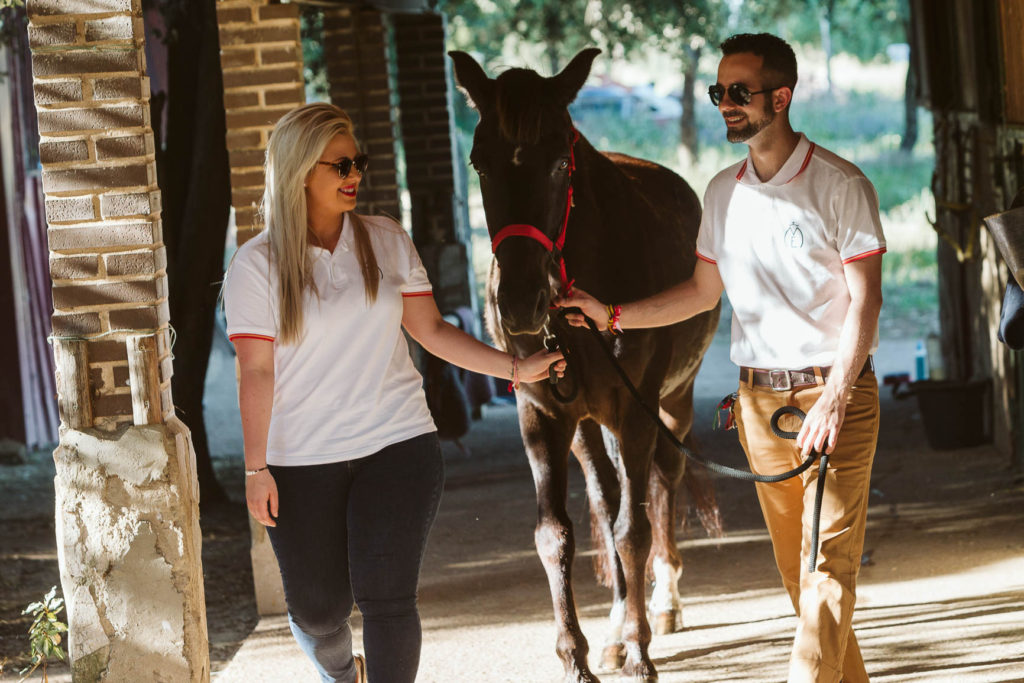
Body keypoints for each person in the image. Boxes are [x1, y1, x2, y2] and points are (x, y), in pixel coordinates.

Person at [558, 33, 884, 683]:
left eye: (740, 92)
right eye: (719, 93)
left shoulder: (840, 184)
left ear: (781, 96)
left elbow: (866, 302)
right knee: (803, 583)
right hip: (761, 402)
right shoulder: (723, 192)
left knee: (826, 572)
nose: (725, 104)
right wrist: (612, 314)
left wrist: (837, 394)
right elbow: (702, 292)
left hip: (833, 396)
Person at [223, 102, 564, 683]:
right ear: (301, 170)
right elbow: (255, 371)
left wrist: (516, 367)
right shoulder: (256, 265)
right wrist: (256, 470)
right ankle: (341, 672)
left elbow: (429, 331)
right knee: (317, 608)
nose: (356, 174)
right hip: (300, 458)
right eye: (341, 165)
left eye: (360, 161)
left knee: (387, 598)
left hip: (396, 443)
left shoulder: (384, 239)